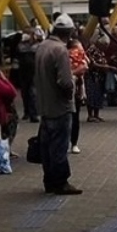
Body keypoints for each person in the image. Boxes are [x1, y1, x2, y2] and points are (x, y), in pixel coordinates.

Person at [34, 14, 82, 195]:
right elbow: (65, 82)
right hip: (60, 107)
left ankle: (49, 181)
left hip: (45, 106)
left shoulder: (42, 47)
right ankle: (61, 182)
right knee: (60, 147)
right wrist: (75, 78)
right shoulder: (60, 50)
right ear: (69, 33)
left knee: (47, 147)